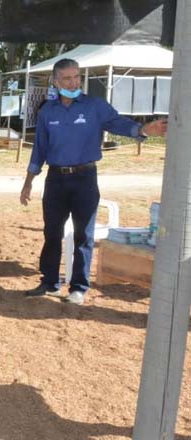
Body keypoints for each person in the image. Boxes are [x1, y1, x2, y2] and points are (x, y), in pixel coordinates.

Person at [20, 58, 167, 305]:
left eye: (77, 76)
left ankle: (78, 288)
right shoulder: (47, 111)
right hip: (55, 179)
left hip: (85, 178)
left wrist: (143, 130)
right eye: (67, 78)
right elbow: (39, 150)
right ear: (55, 82)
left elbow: (119, 123)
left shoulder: (94, 106)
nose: (74, 81)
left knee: (83, 234)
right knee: (52, 231)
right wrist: (28, 182)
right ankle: (50, 282)